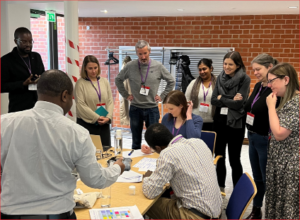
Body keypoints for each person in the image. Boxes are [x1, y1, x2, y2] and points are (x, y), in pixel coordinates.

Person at [1, 70, 125, 219]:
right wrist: (118, 167)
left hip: (10, 214)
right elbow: (95, 179)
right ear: (64, 95)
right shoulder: (77, 133)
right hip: (56, 213)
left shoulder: (5, 123)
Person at [142, 123, 222, 219]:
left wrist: (147, 179)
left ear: (158, 148)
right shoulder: (199, 142)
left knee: (146, 205)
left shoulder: (167, 154)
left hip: (196, 216)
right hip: (216, 211)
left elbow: (150, 192)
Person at [115, 40, 175, 149]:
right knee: (136, 141)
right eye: (140, 54)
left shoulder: (158, 66)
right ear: (136, 54)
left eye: (145, 53)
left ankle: (152, 163)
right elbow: (118, 80)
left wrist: (162, 95)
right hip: (135, 109)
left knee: (154, 141)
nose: (143, 57)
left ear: (149, 51)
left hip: (152, 109)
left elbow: (171, 81)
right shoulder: (130, 66)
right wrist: (125, 94)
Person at [243, 54, 279, 219]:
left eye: (258, 69)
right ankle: (257, 208)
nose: (255, 72)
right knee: (257, 176)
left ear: (270, 67)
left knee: (267, 178)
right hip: (252, 136)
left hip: (265, 139)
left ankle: (272, 211)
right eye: (254, 69)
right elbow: (252, 106)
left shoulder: (276, 89)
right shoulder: (258, 86)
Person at [211, 51, 250, 192]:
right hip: (220, 121)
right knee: (219, 156)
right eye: (225, 63)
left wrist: (223, 98)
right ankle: (220, 187)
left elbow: (239, 104)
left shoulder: (244, 78)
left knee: (235, 159)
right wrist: (231, 99)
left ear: (238, 65)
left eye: (230, 64)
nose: (226, 67)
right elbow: (213, 99)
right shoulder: (219, 78)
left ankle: (237, 190)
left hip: (236, 123)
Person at [265, 63, 299, 219]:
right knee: (277, 202)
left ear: (286, 79)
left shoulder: (296, 102)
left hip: (289, 163)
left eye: (272, 80)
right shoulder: (287, 100)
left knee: (288, 205)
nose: (269, 85)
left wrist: (271, 107)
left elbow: (279, 133)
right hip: (279, 160)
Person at [1, 27, 45, 113]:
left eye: (30, 41)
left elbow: (42, 74)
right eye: (24, 41)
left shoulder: (36, 57)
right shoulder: (6, 60)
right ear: (15, 41)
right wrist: (23, 84)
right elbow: (1, 86)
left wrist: (41, 78)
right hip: (19, 108)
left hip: (38, 106)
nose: (28, 44)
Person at [75, 55, 114, 146]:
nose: (93, 71)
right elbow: (81, 105)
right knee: (89, 152)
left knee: (106, 151)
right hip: (87, 123)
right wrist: (97, 117)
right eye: (90, 68)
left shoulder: (104, 82)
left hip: (103, 122)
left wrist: (108, 117)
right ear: (85, 68)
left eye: (95, 68)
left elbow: (110, 101)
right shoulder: (80, 83)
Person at [185, 58, 217, 131]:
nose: (202, 72)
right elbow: (186, 100)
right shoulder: (193, 83)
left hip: (213, 121)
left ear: (211, 68)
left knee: (211, 142)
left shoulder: (218, 83)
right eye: (200, 70)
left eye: (204, 69)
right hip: (196, 121)